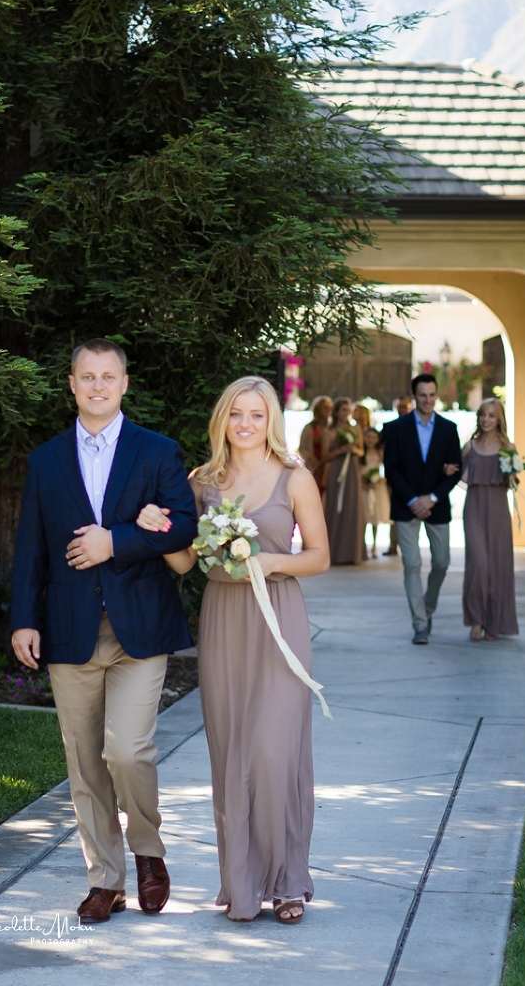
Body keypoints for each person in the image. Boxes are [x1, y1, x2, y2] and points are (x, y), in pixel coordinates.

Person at [10, 339, 198, 923]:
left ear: (124, 382)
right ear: (71, 384)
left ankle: (148, 852)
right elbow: (30, 549)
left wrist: (115, 540)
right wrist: (23, 618)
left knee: (128, 748)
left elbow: (183, 527)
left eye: (108, 376)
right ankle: (105, 880)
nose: (97, 386)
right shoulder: (45, 461)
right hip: (69, 629)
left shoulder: (157, 451)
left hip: (139, 625)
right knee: (84, 759)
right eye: (86, 377)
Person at [135, 376, 329, 924]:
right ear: (223, 420)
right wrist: (155, 528)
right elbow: (185, 560)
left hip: (279, 618)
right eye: (236, 414)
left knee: (275, 752)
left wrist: (270, 562)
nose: (246, 424)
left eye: (258, 415)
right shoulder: (202, 484)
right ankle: (241, 887)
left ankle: (289, 879)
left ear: (271, 421)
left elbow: (319, 556)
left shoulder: (295, 478)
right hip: (223, 621)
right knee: (233, 756)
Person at [382, 374, 461, 644]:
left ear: (437, 395)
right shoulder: (396, 428)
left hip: (436, 506)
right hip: (406, 506)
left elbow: (454, 471)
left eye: (432, 395)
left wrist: (432, 498)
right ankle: (419, 624)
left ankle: (427, 608)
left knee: (442, 562)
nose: (428, 400)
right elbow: (391, 470)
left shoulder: (449, 429)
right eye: (423, 395)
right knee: (412, 564)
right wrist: (414, 500)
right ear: (413, 396)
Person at [458, 398, 519, 641]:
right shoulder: (468, 447)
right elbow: (455, 474)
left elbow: (513, 482)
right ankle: (476, 619)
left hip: (498, 511)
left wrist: (514, 473)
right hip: (473, 508)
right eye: (483, 414)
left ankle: (494, 622)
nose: (486, 419)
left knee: (498, 566)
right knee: (478, 564)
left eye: (491, 415)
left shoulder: (509, 447)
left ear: (499, 419)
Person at [323, 396, 366, 563]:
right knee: (335, 508)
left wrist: (353, 449)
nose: (346, 413)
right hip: (337, 471)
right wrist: (341, 450)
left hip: (352, 471)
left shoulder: (356, 430)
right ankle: (334, 553)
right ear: (337, 411)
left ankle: (353, 553)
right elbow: (326, 455)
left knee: (352, 508)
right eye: (343, 410)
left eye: (348, 410)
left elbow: (362, 451)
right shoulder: (330, 430)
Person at [383, 396, 414, 556]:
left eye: (405, 407)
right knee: (394, 512)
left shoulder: (417, 427)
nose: (402, 410)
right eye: (400, 407)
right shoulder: (388, 427)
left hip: (413, 479)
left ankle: (409, 546)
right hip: (394, 478)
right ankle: (393, 544)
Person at [360, 426, 390, 557]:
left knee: (375, 517)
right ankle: (362, 545)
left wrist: (379, 482)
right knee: (364, 516)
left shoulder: (380, 453)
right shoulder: (361, 452)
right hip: (364, 487)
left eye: (373, 437)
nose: (370, 440)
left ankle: (374, 545)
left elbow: (389, 469)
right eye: (368, 437)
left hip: (377, 487)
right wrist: (363, 483)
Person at [298, 395, 333, 499]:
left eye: (329, 408)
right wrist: (311, 458)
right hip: (312, 465)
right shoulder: (309, 428)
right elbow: (302, 448)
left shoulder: (330, 428)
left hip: (327, 465)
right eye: (324, 407)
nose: (327, 410)